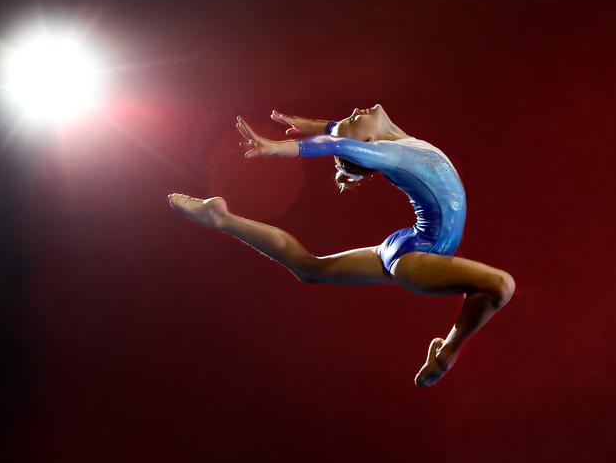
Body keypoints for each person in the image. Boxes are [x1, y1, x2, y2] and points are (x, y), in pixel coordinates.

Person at [168, 103, 516, 387]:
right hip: (418, 258)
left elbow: (336, 132)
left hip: (407, 244)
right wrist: (278, 148)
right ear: (366, 142)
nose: (355, 112)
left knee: (310, 269)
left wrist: (311, 123)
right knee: (500, 285)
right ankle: (447, 353)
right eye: (354, 121)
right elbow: (336, 143)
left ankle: (220, 218)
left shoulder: (399, 140)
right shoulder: (387, 153)